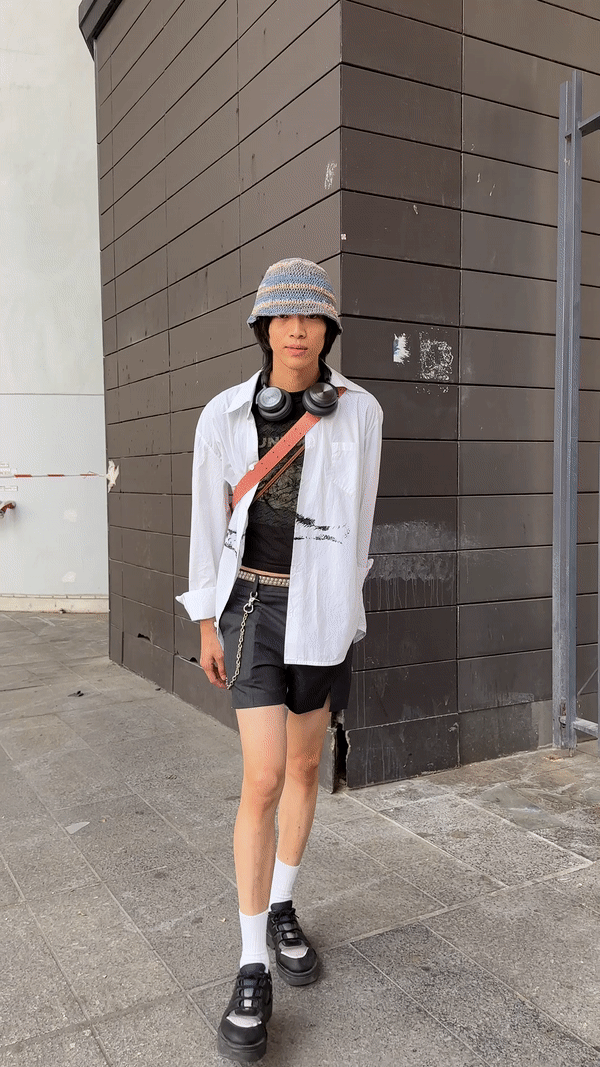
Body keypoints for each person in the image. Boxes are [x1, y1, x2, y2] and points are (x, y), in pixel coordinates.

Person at [176, 258, 382, 1063]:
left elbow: (360, 523)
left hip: (321, 608)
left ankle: (285, 902)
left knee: (303, 768)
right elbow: (204, 519)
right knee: (261, 777)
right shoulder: (223, 415)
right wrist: (206, 619)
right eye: (282, 318)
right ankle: (252, 961)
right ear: (263, 329)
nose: (297, 330)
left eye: (311, 317)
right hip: (253, 609)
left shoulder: (361, 412)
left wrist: (345, 610)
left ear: (328, 330)